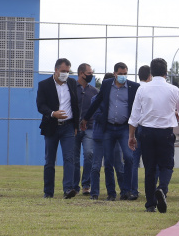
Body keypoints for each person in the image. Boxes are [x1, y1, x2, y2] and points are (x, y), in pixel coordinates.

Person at [128, 58, 179, 213]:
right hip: (165, 132)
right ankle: (162, 188)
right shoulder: (173, 89)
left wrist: (131, 136)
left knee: (150, 168)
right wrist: (174, 113)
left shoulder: (142, 89)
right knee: (166, 165)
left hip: (146, 132)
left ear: (151, 72)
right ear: (166, 72)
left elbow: (134, 116)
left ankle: (150, 204)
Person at [82, 62, 140, 201]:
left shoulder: (134, 87)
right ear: (114, 74)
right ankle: (111, 193)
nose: (123, 76)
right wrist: (86, 118)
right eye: (120, 74)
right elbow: (97, 101)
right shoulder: (107, 84)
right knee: (108, 161)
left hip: (124, 128)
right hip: (108, 128)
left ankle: (126, 191)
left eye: (125, 74)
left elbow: (138, 106)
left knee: (129, 157)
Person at [35, 58, 81, 199]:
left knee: (69, 158)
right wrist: (52, 113)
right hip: (51, 126)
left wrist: (76, 126)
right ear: (56, 70)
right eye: (63, 71)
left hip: (68, 127)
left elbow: (76, 105)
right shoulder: (44, 85)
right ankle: (48, 192)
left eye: (67, 71)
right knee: (50, 160)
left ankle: (68, 189)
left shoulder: (72, 83)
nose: (65, 73)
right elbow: (40, 105)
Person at [73, 63, 98, 196]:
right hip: (73, 128)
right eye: (89, 73)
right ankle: (74, 186)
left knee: (89, 154)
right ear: (81, 73)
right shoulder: (71, 88)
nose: (91, 75)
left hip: (89, 128)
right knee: (74, 157)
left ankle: (86, 184)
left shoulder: (94, 91)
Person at [130, 65, 151, 197]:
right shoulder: (149, 89)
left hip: (135, 126)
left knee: (134, 161)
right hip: (148, 127)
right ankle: (151, 189)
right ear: (150, 76)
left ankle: (133, 190)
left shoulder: (133, 88)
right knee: (150, 161)